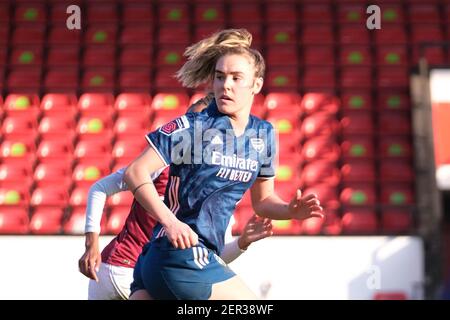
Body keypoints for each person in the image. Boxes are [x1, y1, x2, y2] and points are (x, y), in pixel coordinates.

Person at [125, 28, 324, 300]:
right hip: (179, 253)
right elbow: (135, 172)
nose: (225, 85)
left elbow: (263, 201)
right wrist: (171, 222)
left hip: (171, 261)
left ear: (256, 84)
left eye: (235, 78)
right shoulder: (193, 126)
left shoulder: (263, 133)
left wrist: (290, 210)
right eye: (220, 77)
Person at [78, 95, 273, 300]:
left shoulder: (218, 193)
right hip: (126, 269)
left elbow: (211, 259)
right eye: (191, 120)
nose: (191, 131)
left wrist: (242, 243)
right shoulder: (160, 166)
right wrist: (91, 244)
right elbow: (101, 188)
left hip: (135, 271)